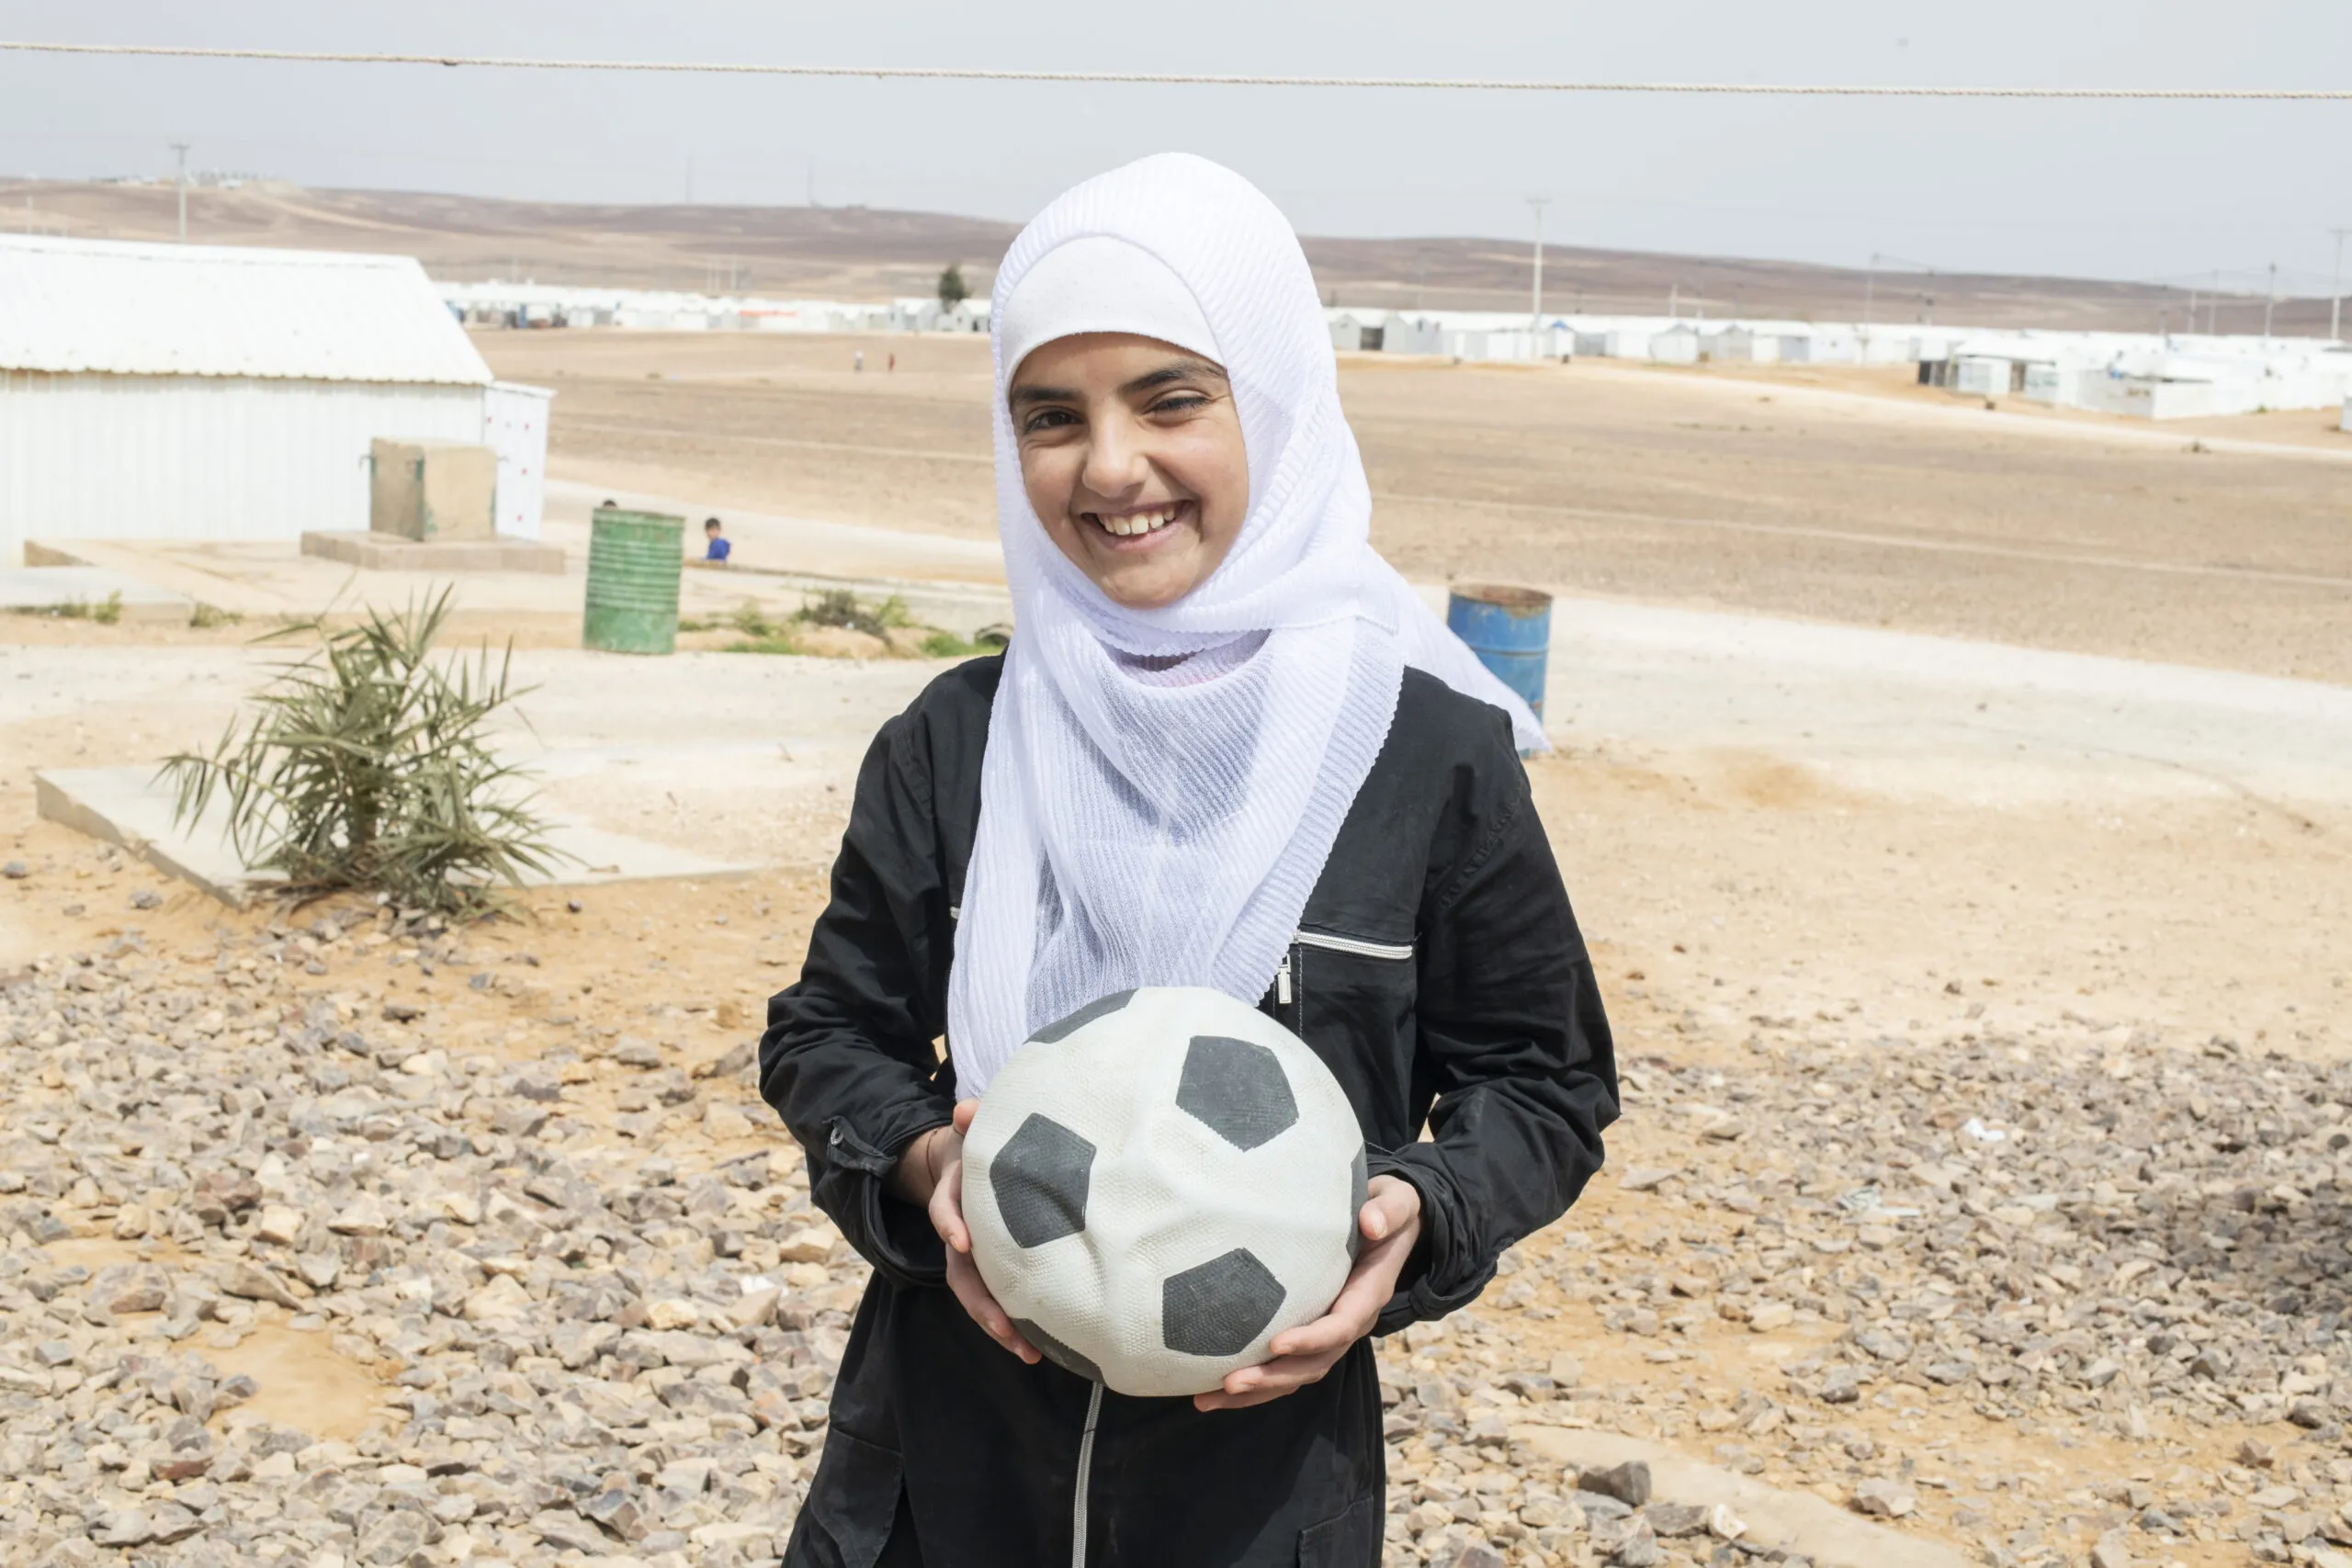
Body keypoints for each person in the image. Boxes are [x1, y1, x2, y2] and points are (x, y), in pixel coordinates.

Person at [761, 153, 1616, 1568]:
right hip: (934, 1478)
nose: (1109, 467)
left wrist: (1423, 1207)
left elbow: (1545, 1078)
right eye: (1051, 415)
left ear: (1274, 405)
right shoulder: (962, 739)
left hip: (1262, 1499)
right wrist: (923, 1162)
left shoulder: (1421, 754)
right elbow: (825, 1031)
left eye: (1171, 398)